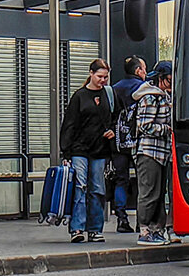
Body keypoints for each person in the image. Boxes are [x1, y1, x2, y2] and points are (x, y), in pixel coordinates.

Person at [59, 58, 115, 243]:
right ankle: (77, 228)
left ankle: (95, 229)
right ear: (91, 74)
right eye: (99, 76)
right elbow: (69, 125)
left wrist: (112, 131)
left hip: (100, 149)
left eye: (105, 77)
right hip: (79, 149)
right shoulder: (79, 96)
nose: (103, 80)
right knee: (80, 187)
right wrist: (65, 152)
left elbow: (116, 118)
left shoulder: (108, 94)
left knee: (97, 189)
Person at [133, 60, 173, 246]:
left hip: (162, 152)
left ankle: (157, 229)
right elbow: (144, 126)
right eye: (169, 80)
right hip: (149, 151)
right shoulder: (150, 97)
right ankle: (145, 230)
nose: (172, 85)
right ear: (161, 78)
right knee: (149, 191)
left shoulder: (164, 96)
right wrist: (167, 128)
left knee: (158, 192)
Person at [109, 55, 146, 233]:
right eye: (144, 69)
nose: (145, 73)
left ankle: (122, 219)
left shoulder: (114, 89)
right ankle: (142, 220)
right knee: (143, 181)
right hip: (139, 140)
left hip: (118, 141)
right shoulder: (143, 88)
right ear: (138, 71)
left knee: (120, 180)